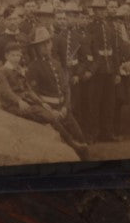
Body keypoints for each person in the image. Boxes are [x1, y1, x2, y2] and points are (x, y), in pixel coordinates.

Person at [0, 39, 88, 159]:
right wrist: (18, 101)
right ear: (6, 56)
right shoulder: (3, 71)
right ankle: (72, 143)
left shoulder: (20, 69)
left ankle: (77, 147)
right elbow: (5, 90)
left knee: (48, 114)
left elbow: (28, 90)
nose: (16, 58)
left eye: (18, 55)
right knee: (49, 116)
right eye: (13, 55)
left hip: (29, 102)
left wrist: (42, 102)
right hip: (13, 104)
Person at [26, 27, 89, 156]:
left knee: (81, 139)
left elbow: (66, 88)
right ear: (36, 48)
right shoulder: (33, 67)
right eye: (41, 45)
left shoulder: (57, 64)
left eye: (47, 43)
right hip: (51, 112)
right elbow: (34, 94)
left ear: (51, 44)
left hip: (64, 110)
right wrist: (51, 110)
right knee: (69, 144)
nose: (45, 47)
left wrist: (65, 107)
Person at [84, 0, 124, 142]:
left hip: (109, 71)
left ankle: (107, 133)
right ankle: (93, 134)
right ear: (93, 11)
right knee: (94, 103)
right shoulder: (89, 28)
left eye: (102, 9)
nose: (100, 12)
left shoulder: (110, 27)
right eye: (97, 10)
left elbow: (115, 51)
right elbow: (87, 50)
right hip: (97, 71)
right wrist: (92, 69)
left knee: (109, 103)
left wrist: (117, 71)